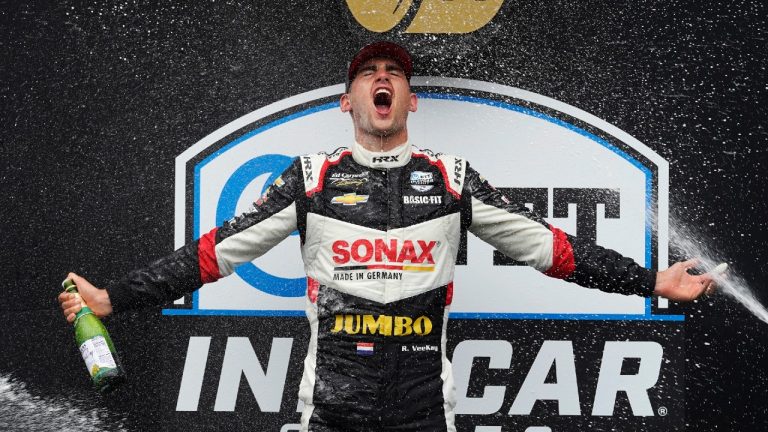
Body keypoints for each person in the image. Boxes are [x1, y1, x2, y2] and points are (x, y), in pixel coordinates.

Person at [59, 41, 717, 432]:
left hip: (424, 414)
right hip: (331, 413)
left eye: (395, 74)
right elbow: (210, 256)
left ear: (409, 100)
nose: (383, 78)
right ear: (347, 101)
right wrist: (114, 299)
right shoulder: (311, 179)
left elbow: (555, 250)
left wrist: (653, 280)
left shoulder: (452, 179)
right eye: (369, 72)